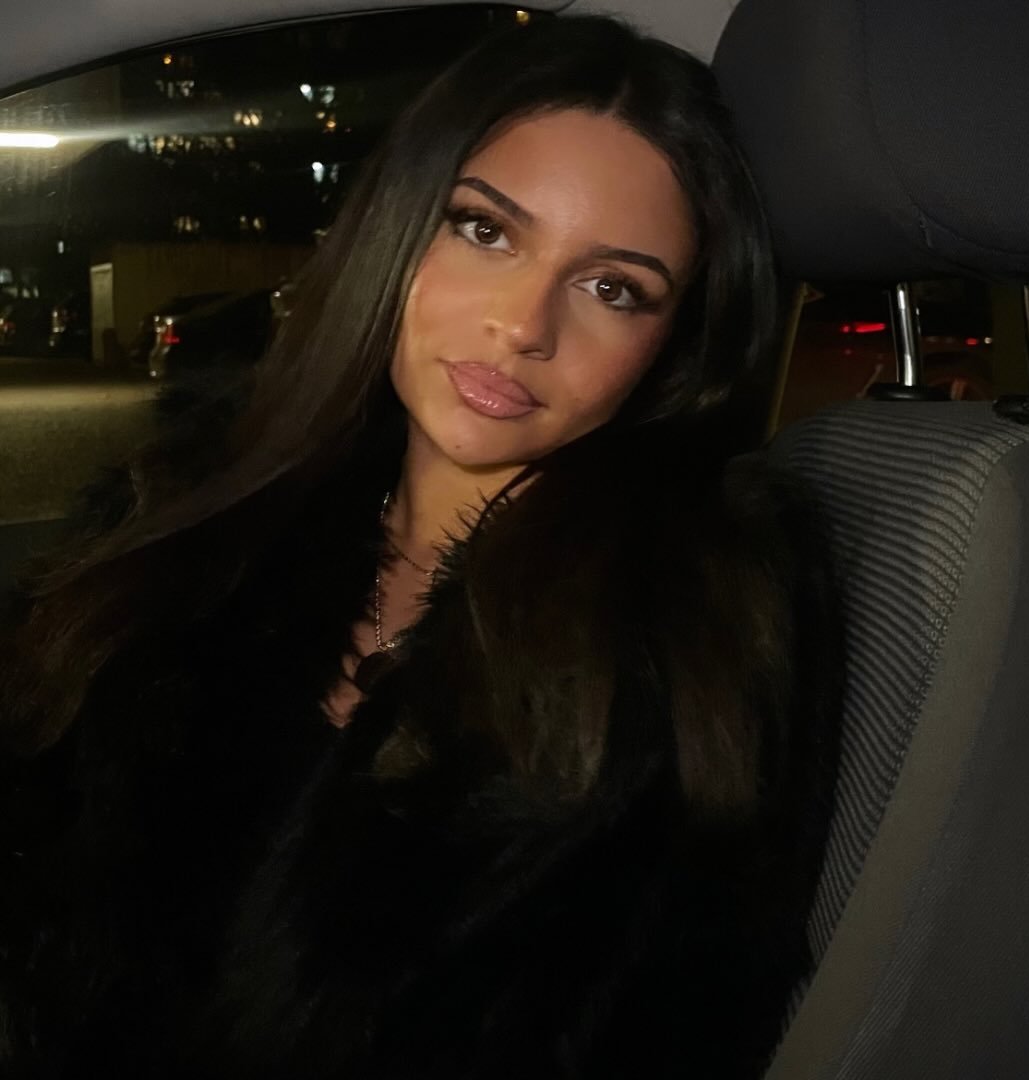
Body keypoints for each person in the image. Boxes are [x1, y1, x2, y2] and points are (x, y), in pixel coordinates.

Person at [0, 15, 837, 1079]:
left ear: (674, 345)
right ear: (398, 229)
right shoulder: (183, 520)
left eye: (613, 288)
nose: (523, 325)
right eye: (485, 230)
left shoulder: (690, 629)